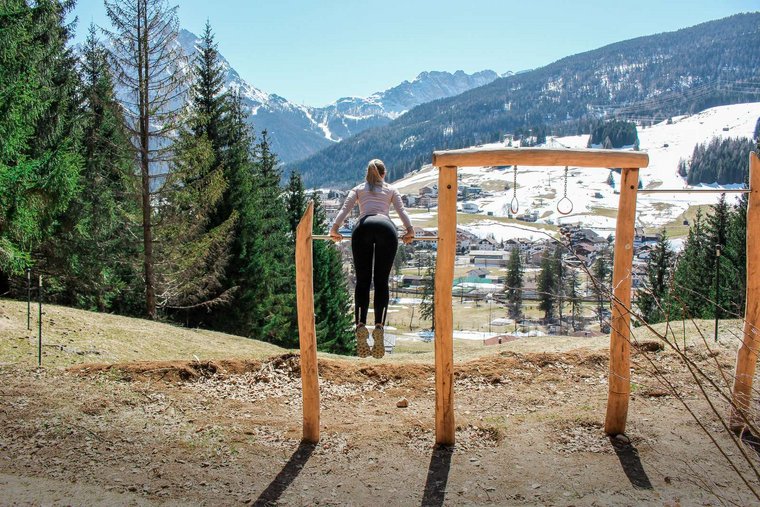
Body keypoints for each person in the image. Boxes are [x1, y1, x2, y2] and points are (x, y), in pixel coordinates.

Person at [330, 159, 414, 358]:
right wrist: (409, 230)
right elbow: (402, 211)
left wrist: (334, 229)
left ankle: (360, 325)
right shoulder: (391, 190)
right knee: (381, 281)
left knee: (363, 281)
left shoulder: (358, 189)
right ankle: (379, 327)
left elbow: (345, 210)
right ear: (383, 174)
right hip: (386, 229)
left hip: (363, 228)